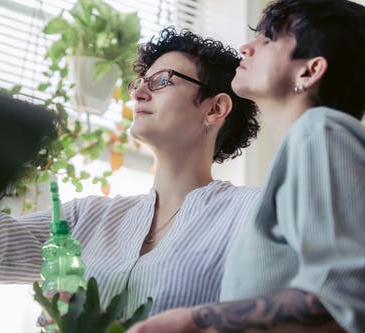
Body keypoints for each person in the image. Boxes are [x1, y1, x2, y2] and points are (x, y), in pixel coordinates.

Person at [0, 27, 260, 319]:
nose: (139, 93)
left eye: (161, 81)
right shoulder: (90, 218)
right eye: (139, 83)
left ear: (215, 108)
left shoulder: (250, 213)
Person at [127, 0, 365, 332]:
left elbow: (347, 295)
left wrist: (197, 319)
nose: (246, 48)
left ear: (309, 71)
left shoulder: (320, 132)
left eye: (268, 39)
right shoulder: (303, 153)